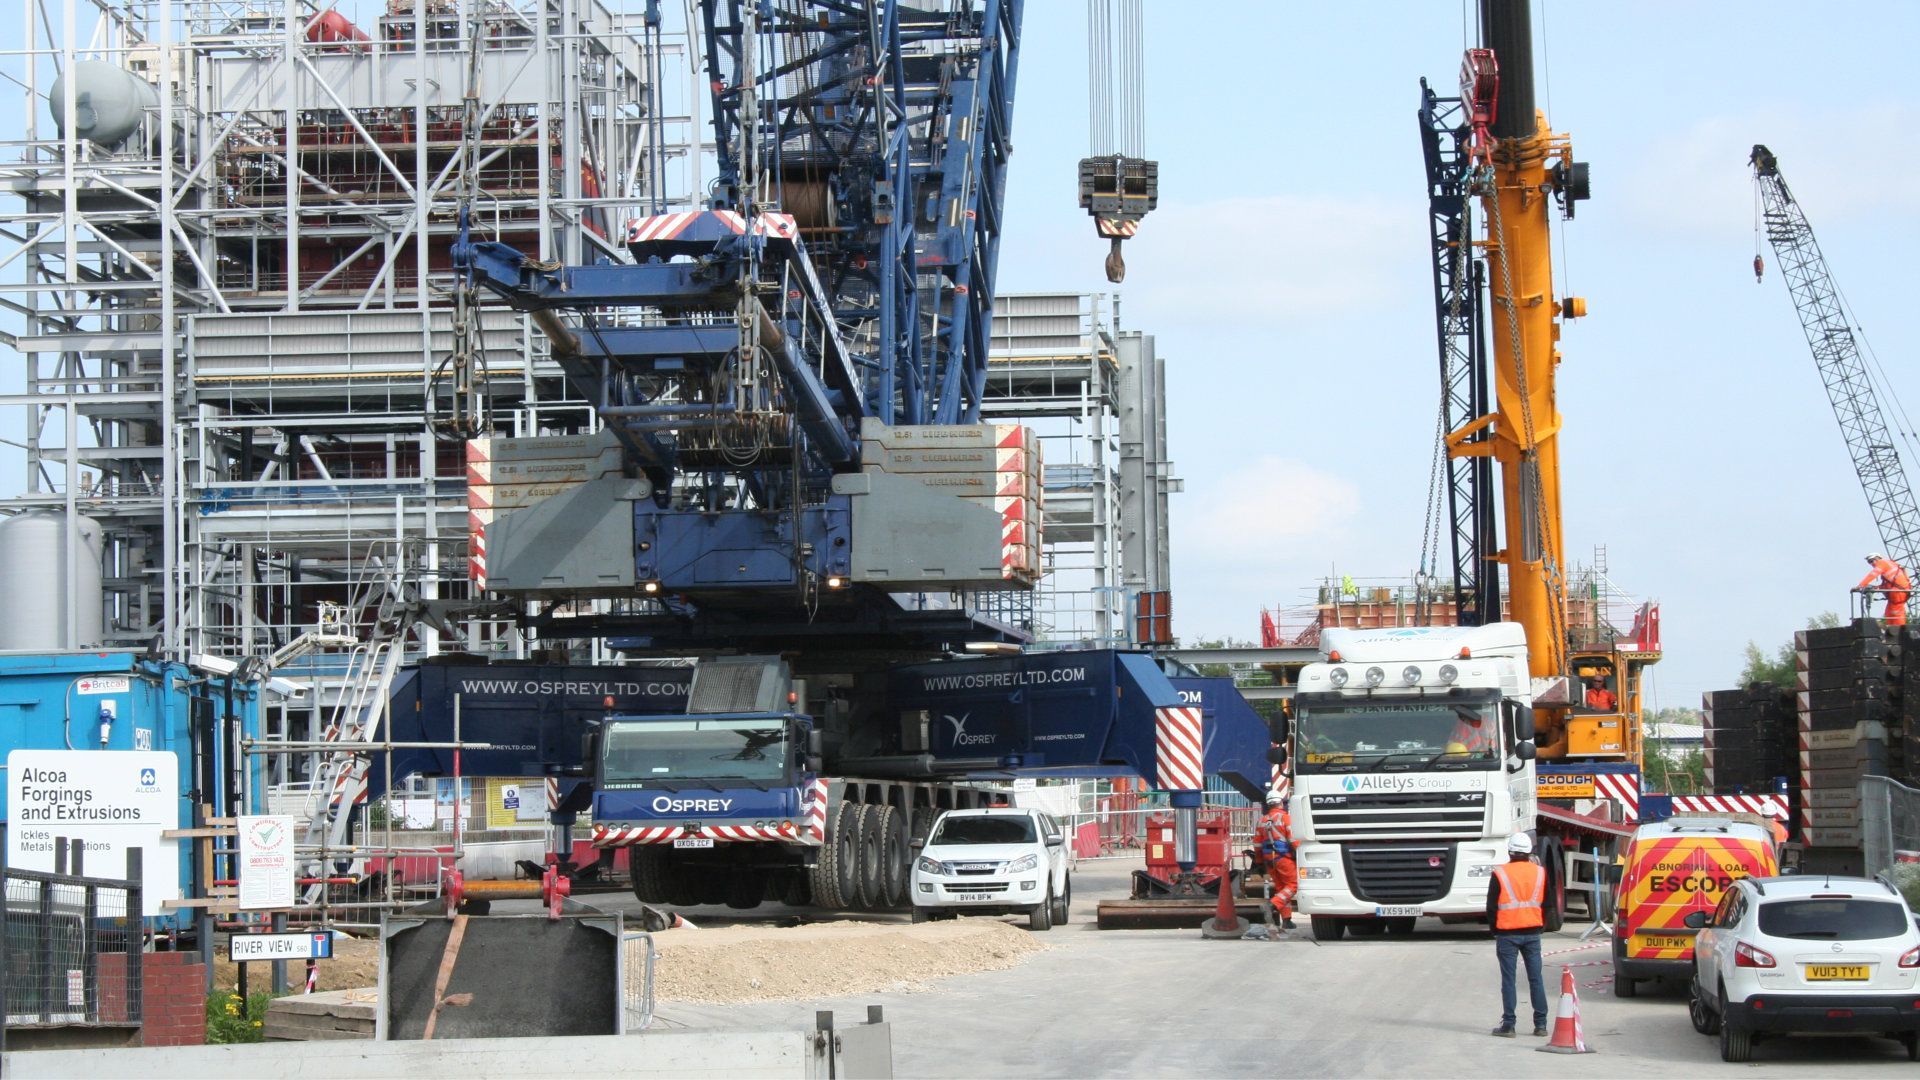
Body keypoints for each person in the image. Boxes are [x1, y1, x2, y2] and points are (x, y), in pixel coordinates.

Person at [1488, 832, 1549, 1038]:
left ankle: (1509, 1025)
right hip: (1532, 932)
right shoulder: (1540, 873)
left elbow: (1491, 907)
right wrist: (1541, 926)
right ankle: (1541, 1025)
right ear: (1529, 851)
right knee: (1536, 979)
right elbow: (1546, 904)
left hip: (1507, 934)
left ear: (1510, 852)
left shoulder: (1500, 873)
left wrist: (1495, 931)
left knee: (1509, 980)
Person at [1254, 793, 1297, 931]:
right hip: (1284, 858)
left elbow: (1257, 845)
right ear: (1281, 803)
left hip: (1269, 860)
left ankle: (1286, 920)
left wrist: (1259, 862)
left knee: (1281, 888)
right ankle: (1272, 905)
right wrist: (1299, 854)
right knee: (1293, 885)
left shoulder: (1262, 821)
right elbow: (1293, 840)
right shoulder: (1285, 818)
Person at [1858, 553, 1911, 627]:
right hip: (1898, 592)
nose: (1872, 563)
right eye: (1869, 562)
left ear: (1878, 558)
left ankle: (1899, 631)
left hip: (1898, 593)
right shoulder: (1890, 564)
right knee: (1889, 612)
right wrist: (1876, 588)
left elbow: (1873, 574)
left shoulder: (1882, 563)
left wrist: (1860, 586)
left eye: (1872, 561)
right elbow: (1888, 584)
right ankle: (1891, 630)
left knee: (1896, 612)